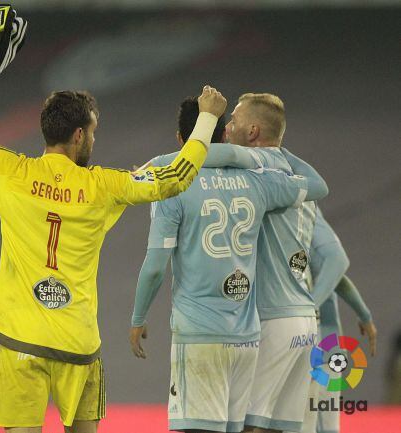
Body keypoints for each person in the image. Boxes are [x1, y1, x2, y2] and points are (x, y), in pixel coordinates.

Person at [0, 11, 227, 433]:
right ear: (77, 136)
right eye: (92, 131)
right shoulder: (103, 186)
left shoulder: (9, 171)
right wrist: (207, 118)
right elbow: (175, 177)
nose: (94, 138)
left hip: (22, 342)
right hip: (77, 343)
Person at [129, 97, 328, 433]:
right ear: (222, 134)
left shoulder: (172, 184)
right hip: (248, 336)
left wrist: (137, 318)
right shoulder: (258, 180)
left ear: (181, 141)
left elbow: (154, 267)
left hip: (200, 334)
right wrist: (277, 153)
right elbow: (317, 187)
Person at [292, 206, 375, 433]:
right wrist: (364, 314)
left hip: (313, 341)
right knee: (324, 425)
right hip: (325, 342)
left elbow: (337, 264)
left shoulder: (293, 212)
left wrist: (308, 308)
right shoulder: (305, 214)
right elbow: (337, 272)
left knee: (309, 424)